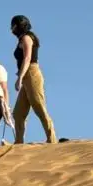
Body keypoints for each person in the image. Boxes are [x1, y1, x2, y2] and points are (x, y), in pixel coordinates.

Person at [10, 15, 56, 144]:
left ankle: (52, 139)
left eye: (14, 26)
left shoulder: (27, 37)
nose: (12, 29)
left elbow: (27, 58)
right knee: (18, 113)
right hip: (26, 76)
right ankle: (19, 142)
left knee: (39, 106)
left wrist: (19, 78)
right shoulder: (22, 38)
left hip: (31, 73)